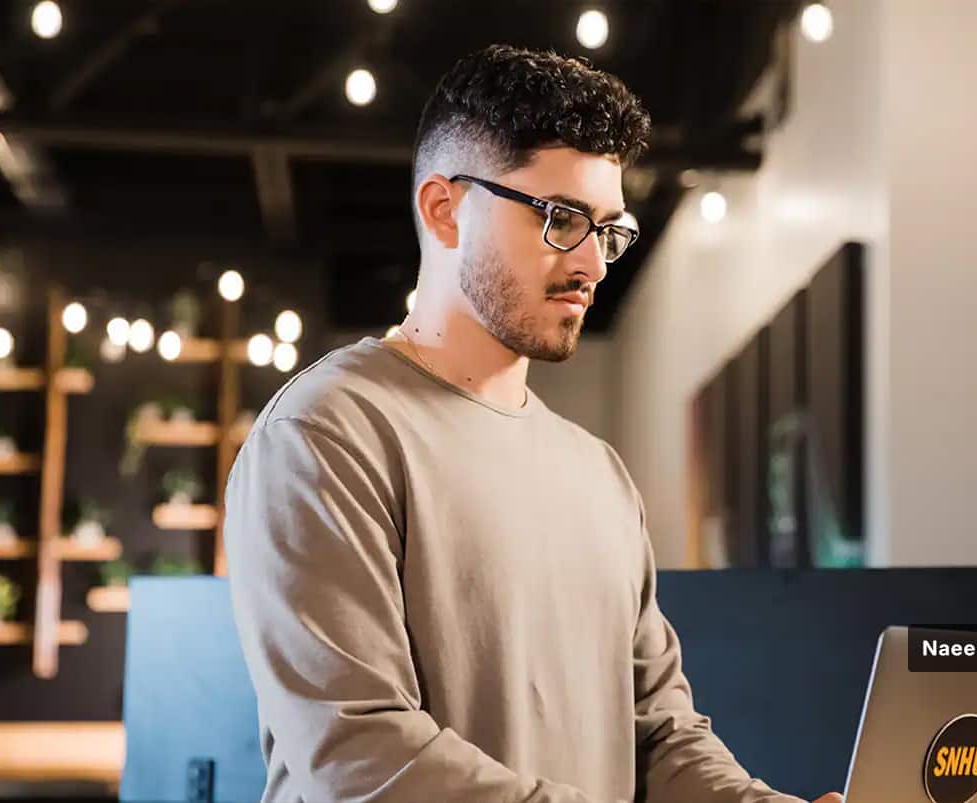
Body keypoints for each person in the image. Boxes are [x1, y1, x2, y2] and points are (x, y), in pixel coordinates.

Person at [224, 44, 842, 803]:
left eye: (606, 229)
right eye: (560, 218)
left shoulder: (599, 473)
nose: (593, 265)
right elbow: (362, 756)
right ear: (445, 210)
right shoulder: (325, 436)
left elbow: (658, 734)